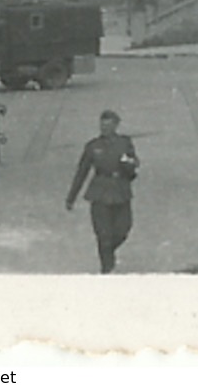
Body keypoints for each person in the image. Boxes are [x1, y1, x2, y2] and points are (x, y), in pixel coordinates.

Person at [65, 109, 139, 274]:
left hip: (120, 191)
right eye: (102, 125)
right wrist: (71, 197)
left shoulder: (124, 143)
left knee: (123, 229)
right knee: (103, 233)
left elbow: (134, 164)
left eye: (108, 125)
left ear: (116, 126)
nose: (104, 129)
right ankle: (107, 267)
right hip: (99, 192)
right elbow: (82, 172)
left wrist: (128, 166)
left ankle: (108, 252)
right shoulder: (93, 146)